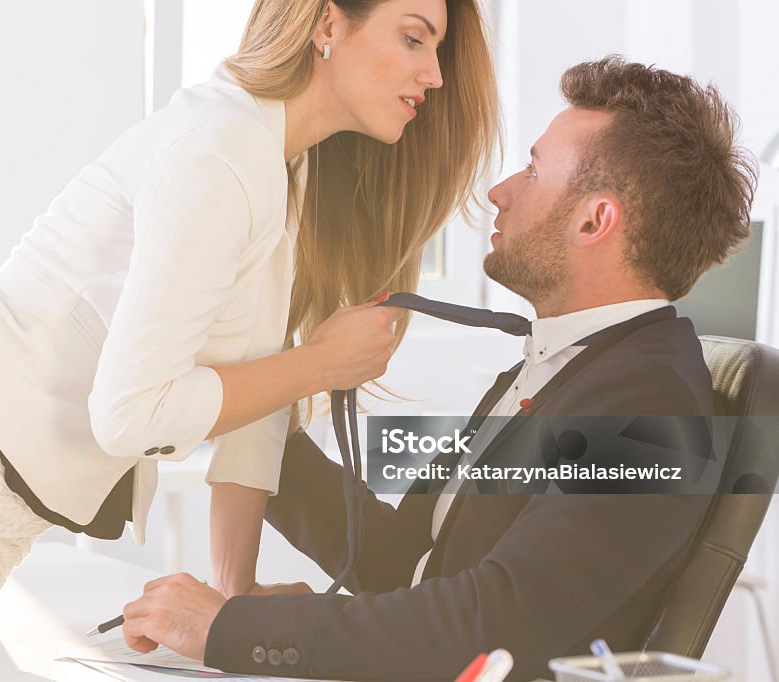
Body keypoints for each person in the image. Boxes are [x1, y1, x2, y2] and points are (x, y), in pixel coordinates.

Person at [0, 0, 499, 677]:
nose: (432, 75)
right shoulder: (222, 149)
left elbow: (256, 411)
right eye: (412, 38)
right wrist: (316, 365)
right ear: (327, 25)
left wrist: (232, 602)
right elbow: (132, 412)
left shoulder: (279, 166)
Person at [117, 56, 758, 682]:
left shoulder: (654, 404)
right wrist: (268, 409)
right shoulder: (561, 369)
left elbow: (487, 629)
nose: (499, 191)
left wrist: (229, 630)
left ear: (595, 220)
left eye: (533, 171)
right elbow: (408, 561)